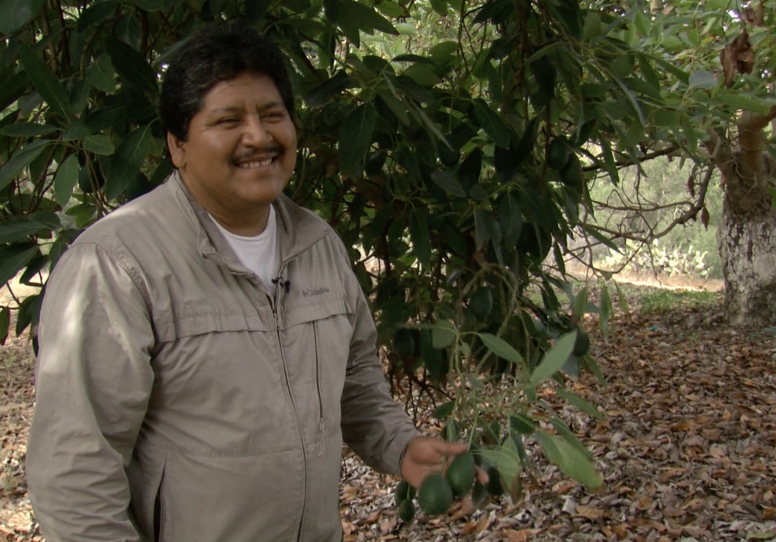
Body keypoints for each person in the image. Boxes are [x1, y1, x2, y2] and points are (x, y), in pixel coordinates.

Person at [25, 22, 468, 542]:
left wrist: (399, 443)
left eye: (273, 115)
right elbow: (76, 469)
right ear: (177, 144)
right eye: (228, 119)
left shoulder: (317, 244)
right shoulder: (118, 264)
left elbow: (355, 377)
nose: (258, 137)